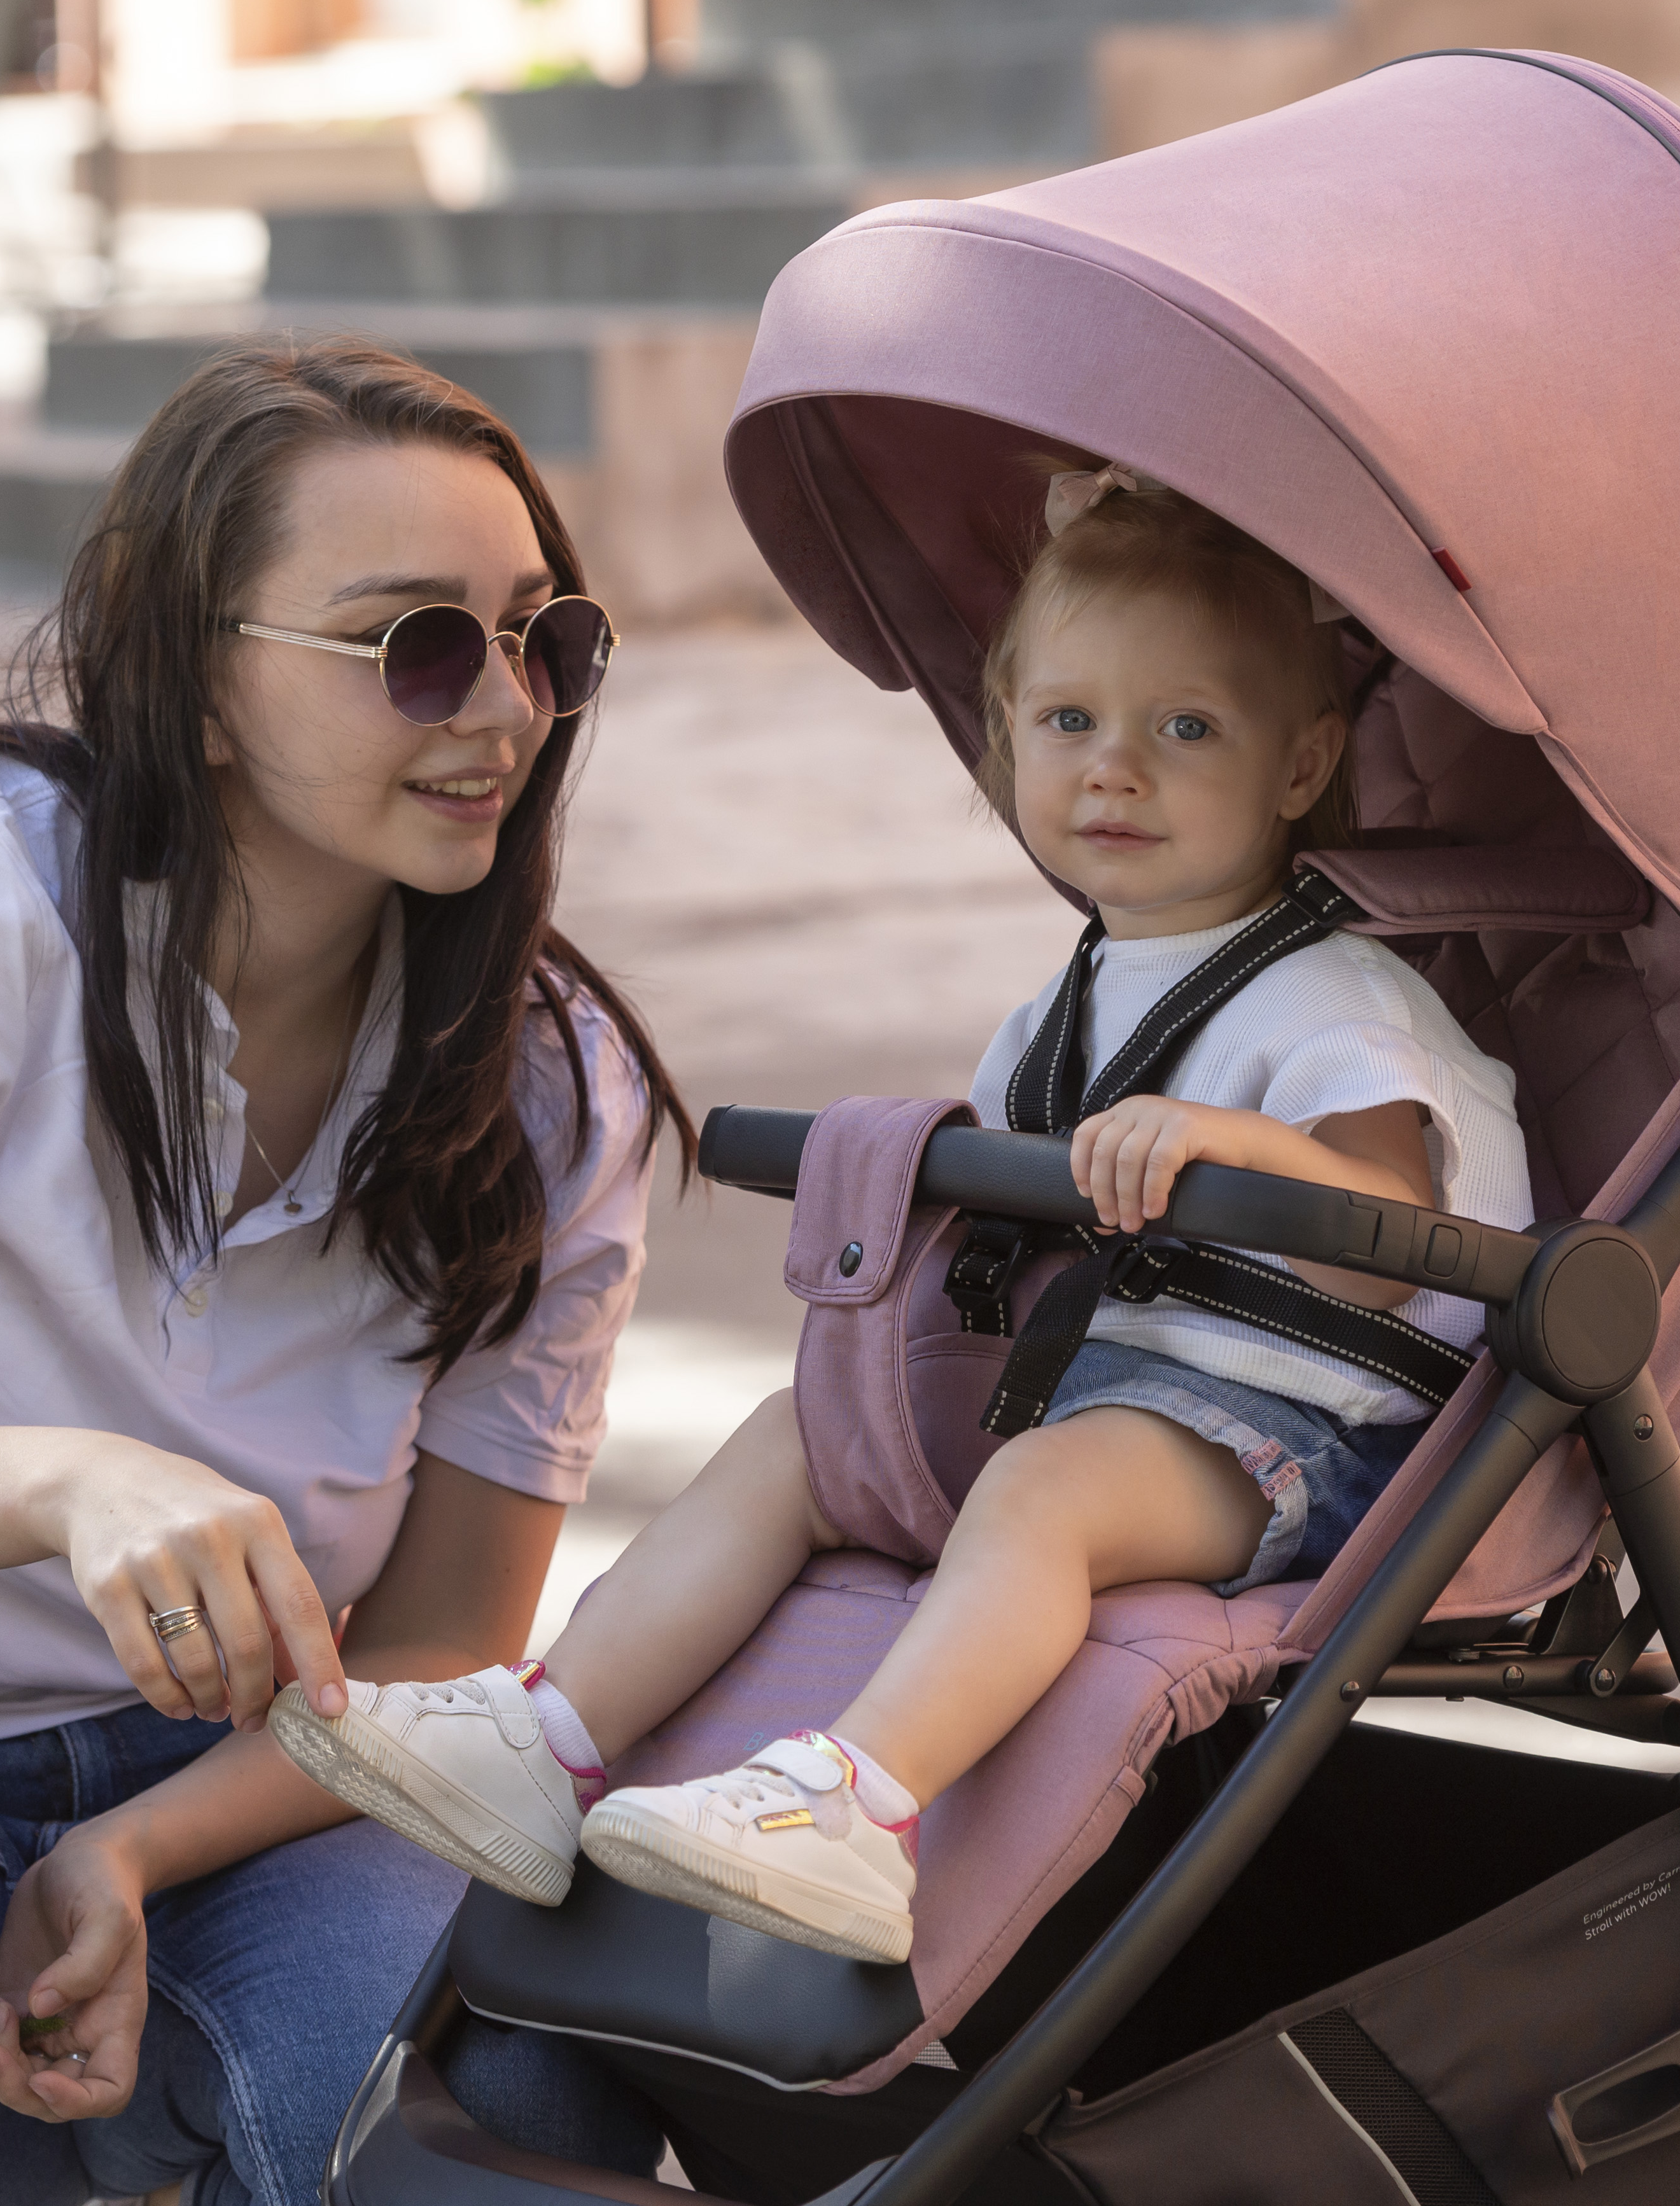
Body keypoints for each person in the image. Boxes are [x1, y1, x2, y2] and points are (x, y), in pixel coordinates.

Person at [269, 473, 1534, 1969]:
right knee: (807, 1428)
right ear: (1005, 744)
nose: (1114, 771)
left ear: (1303, 760)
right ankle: (553, 1741)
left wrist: (1226, 1144)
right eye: (1068, 724)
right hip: (1099, 1395)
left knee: (1039, 1497)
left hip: (1299, 1441)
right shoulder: (1058, 1008)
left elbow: (1382, 1237)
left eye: (1184, 728)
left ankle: (856, 1810)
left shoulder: (1337, 1000)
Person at [0, 342, 687, 2204]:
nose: (501, 707)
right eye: (414, 645)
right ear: (192, 683)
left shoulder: (556, 1084)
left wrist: (136, 1856)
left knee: (537, 2048)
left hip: (256, 1814)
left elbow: (436, 1649)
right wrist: (65, 1482)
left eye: (541, 638)